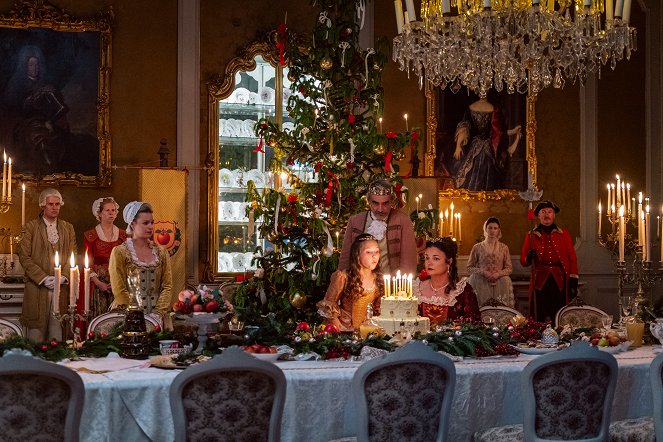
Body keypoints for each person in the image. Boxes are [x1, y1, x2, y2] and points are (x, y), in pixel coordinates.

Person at [18, 188, 77, 341]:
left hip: (61, 288)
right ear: (43, 205)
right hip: (37, 288)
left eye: (57, 204)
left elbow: (72, 256)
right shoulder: (30, 227)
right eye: (51, 204)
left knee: (57, 332)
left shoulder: (68, 228)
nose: (54, 207)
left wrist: (63, 277)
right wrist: (43, 278)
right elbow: (24, 257)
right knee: (35, 335)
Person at [109, 202, 173, 327]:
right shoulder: (120, 252)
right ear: (132, 224)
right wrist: (135, 315)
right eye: (145, 223)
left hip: (158, 319)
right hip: (128, 317)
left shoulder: (161, 252)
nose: (150, 227)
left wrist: (157, 314)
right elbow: (119, 289)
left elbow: (167, 286)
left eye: (152, 222)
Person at [338, 179, 417, 275]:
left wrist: (401, 284)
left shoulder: (403, 221)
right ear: (369, 201)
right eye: (375, 203)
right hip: (360, 281)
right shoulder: (355, 221)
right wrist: (342, 279)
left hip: (391, 282)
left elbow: (408, 261)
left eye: (385, 203)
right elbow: (345, 258)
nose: (380, 209)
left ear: (392, 202)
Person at [520, 200, 579, 322]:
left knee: (558, 314)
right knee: (539, 315)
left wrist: (573, 279)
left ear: (554, 215)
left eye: (549, 212)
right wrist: (529, 257)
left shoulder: (563, 234)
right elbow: (523, 261)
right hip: (540, 280)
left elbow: (572, 258)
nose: (546, 214)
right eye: (543, 212)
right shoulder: (531, 235)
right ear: (538, 215)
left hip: (559, 280)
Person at [317, 234, 384, 332]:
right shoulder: (343, 276)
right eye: (368, 252)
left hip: (368, 330)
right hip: (345, 328)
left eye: (377, 251)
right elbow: (329, 305)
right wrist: (341, 329)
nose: (374, 256)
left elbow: (379, 309)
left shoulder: (378, 278)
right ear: (357, 255)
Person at [452, 96, 522, 191]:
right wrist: (458, 145)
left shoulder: (492, 109)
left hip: (487, 147)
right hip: (479, 147)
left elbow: (498, 133)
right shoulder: (474, 109)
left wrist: (513, 131)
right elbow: (464, 128)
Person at [78, 197, 127, 319]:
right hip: (98, 284)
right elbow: (86, 263)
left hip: (119, 282)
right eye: (107, 210)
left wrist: (119, 282)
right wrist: (98, 283)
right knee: (100, 319)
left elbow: (127, 261)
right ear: (99, 213)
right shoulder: (90, 236)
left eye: (113, 210)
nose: (111, 213)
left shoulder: (123, 235)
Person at [415, 237, 480, 326]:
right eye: (427, 258)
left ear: (449, 261)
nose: (429, 263)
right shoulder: (416, 289)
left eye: (436, 258)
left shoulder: (463, 291)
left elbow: (474, 325)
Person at [466, 217, 514, 307]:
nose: (492, 231)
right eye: (490, 228)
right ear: (486, 229)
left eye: (495, 228)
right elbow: (469, 268)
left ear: (498, 230)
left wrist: (498, 274)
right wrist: (483, 272)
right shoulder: (477, 247)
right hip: (480, 282)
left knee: (500, 310)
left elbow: (509, 268)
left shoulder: (504, 247)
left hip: (500, 283)